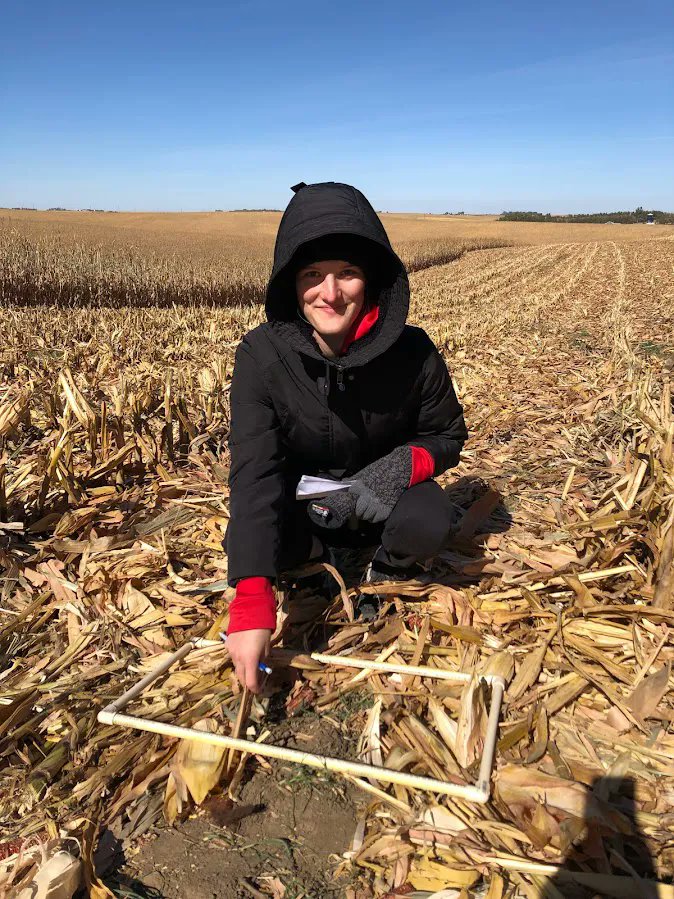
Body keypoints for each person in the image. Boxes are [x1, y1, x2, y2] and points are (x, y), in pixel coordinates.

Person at [223, 181, 468, 693]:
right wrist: (251, 599)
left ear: (372, 279)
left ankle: (383, 572)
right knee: (255, 533)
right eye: (312, 274)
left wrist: (394, 470)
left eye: (347, 273)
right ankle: (313, 570)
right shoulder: (261, 358)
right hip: (306, 505)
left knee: (431, 519)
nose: (329, 294)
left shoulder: (414, 352)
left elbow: (446, 435)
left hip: (385, 504)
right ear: (290, 282)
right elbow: (257, 477)